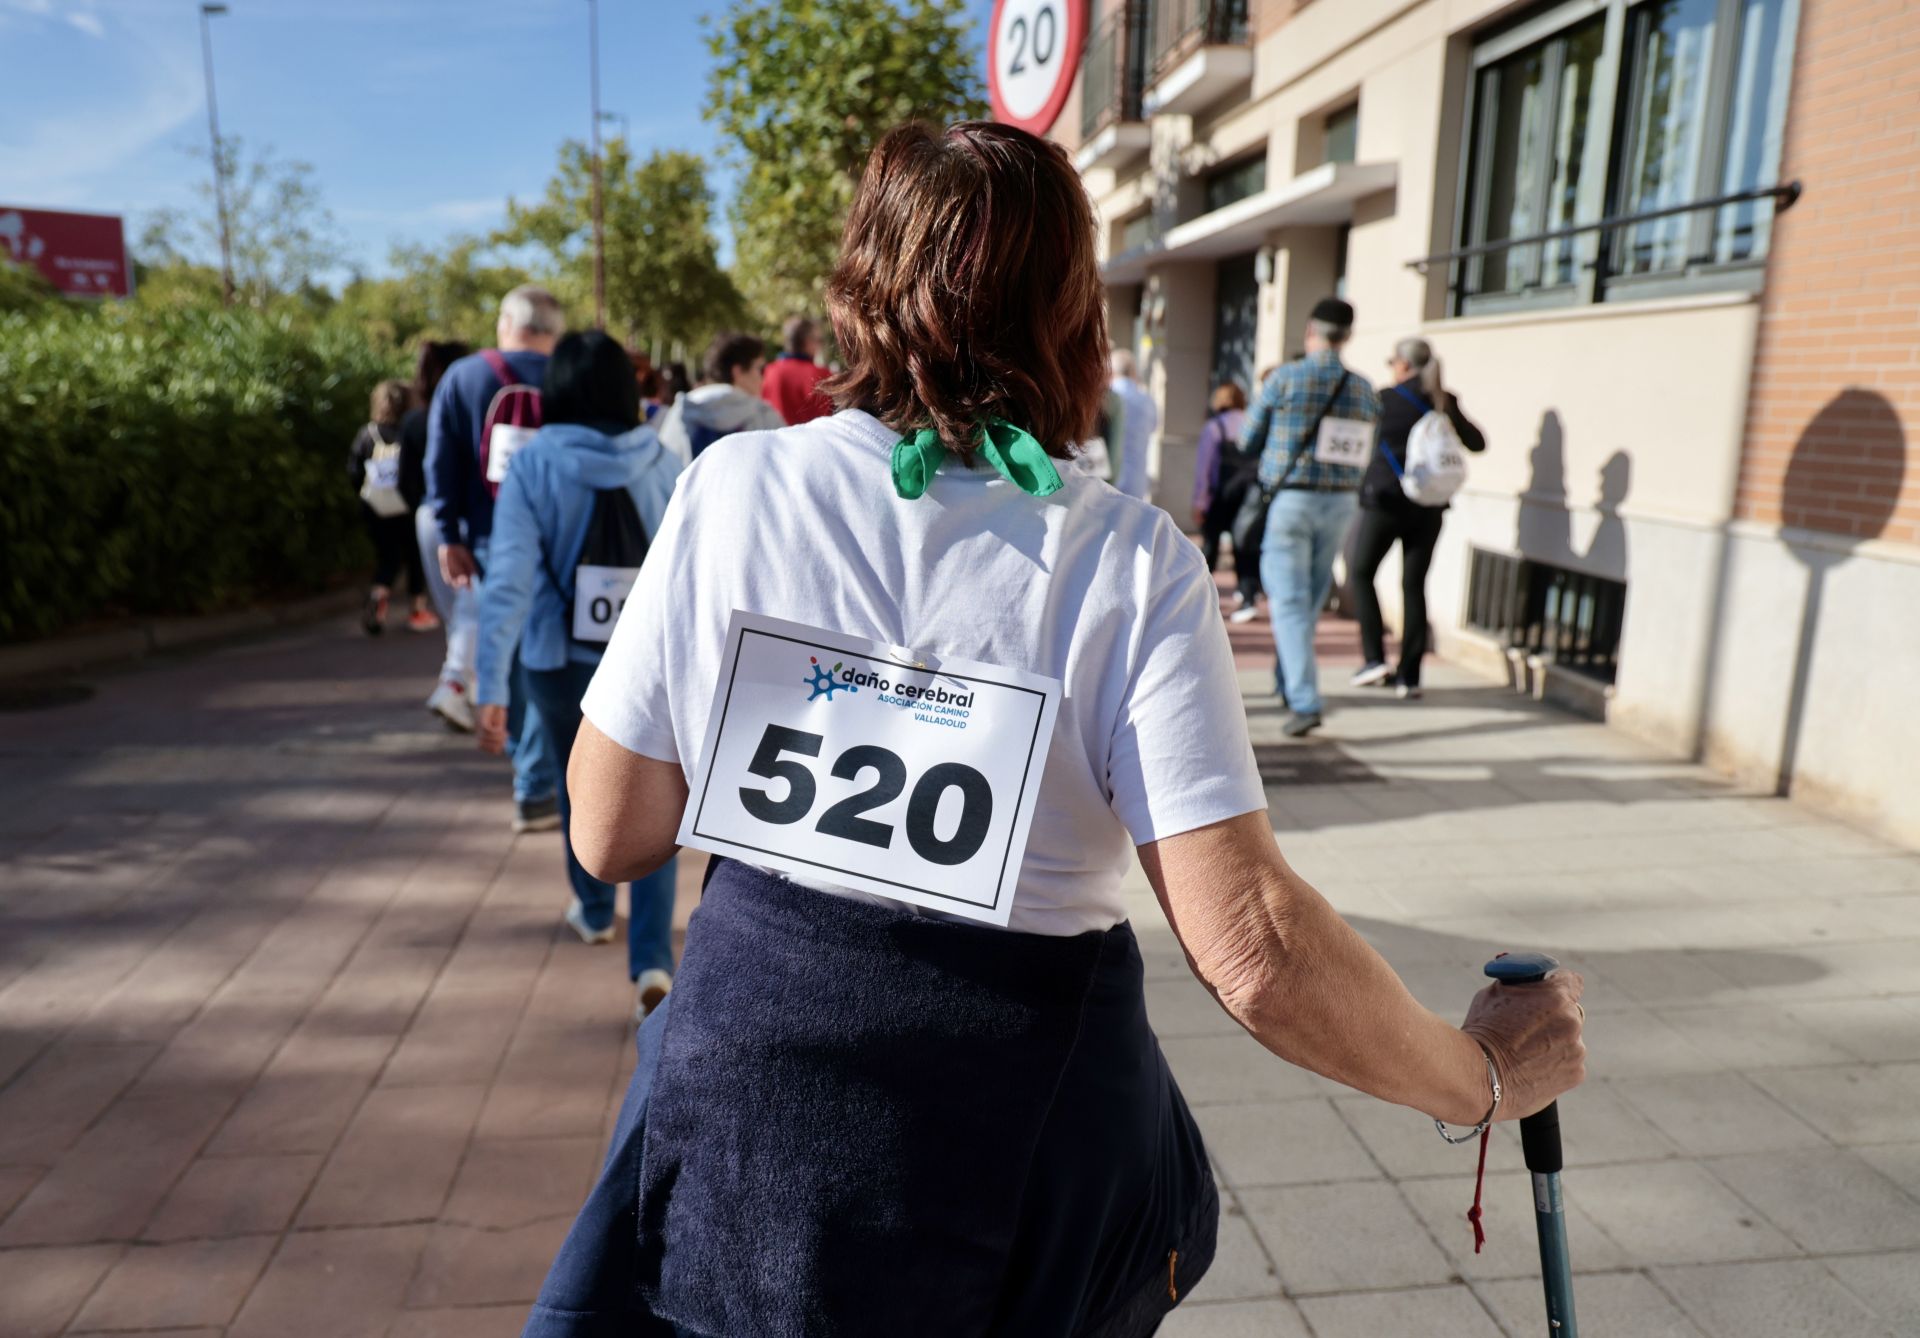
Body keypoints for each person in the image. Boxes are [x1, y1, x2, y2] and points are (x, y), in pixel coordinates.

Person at [521, 121, 1584, 1338]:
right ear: (1072, 316)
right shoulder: (1129, 563)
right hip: (1009, 1165)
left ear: (860, 290)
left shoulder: (735, 487)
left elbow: (607, 833)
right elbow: (1253, 950)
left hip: (751, 1144)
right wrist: (1485, 1077)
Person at [474, 331, 683, 1020]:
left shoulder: (532, 466)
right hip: (646, 670)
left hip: (557, 665)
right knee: (657, 807)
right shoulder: (666, 458)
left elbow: (506, 583)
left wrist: (490, 687)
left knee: (576, 789)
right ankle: (652, 958)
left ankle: (593, 909)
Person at [425, 285, 566, 832]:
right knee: (540, 654)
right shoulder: (566, 378)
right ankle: (532, 779)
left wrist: (448, 534)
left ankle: (522, 762)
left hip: (486, 539)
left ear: (507, 322)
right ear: (553, 329)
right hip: (555, 544)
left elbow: (441, 462)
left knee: (501, 646)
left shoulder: (464, 376)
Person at [1240, 297, 1381, 737]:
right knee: (1309, 601)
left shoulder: (1286, 377)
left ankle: (1304, 700)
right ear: (1347, 336)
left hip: (1292, 499)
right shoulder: (1363, 388)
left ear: (1310, 331)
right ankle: (1289, 683)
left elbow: (1248, 438)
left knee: (1288, 601)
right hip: (1341, 503)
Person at [1350, 338, 1487, 699]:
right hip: (1428, 508)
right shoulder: (1443, 400)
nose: (1391, 367)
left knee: (1361, 573)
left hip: (1384, 503)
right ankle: (1409, 676)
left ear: (1404, 365)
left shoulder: (1386, 399)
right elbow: (1477, 443)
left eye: (1393, 361)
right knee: (1413, 586)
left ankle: (1374, 658)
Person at [405, 341, 474, 727]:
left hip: (426, 517)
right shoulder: (464, 418)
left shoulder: (415, 420)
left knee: (456, 611)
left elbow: (406, 479)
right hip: (458, 522)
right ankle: (455, 685)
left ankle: (466, 687)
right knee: (469, 607)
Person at [347, 379, 434, 636]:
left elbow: (353, 471)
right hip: (408, 506)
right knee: (415, 558)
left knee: (388, 557)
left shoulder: (367, 433)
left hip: (374, 506)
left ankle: (378, 593)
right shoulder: (412, 432)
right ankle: (418, 610)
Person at [656, 331, 785, 463]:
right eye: (759, 369)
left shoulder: (681, 410)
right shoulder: (764, 415)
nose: (762, 378)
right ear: (738, 371)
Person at [1191, 381, 1259, 621]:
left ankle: (1198, 597)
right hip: (1249, 495)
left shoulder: (1214, 427)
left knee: (1210, 546)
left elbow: (1204, 469)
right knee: (1246, 547)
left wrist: (1199, 503)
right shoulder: (1253, 423)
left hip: (1221, 495)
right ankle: (1249, 597)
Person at [759, 314, 834, 424]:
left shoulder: (767, 372)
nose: (820, 345)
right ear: (807, 342)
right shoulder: (822, 374)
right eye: (819, 340)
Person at [1108, 347, 1158, 500]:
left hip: (1108, 477)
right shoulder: (1147, 401)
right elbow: (1153, 427)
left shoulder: (1107, 398)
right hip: (1137, 478)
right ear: (1133, 372)